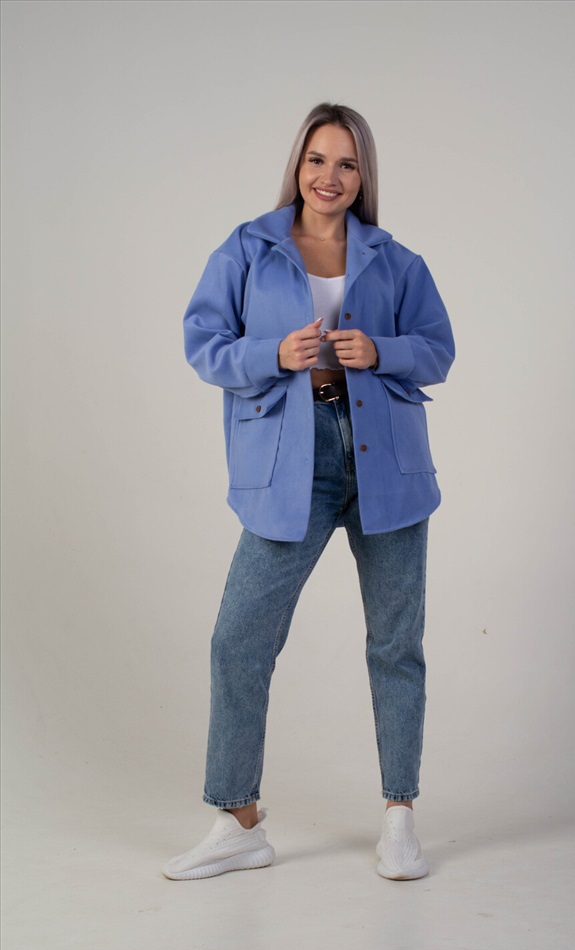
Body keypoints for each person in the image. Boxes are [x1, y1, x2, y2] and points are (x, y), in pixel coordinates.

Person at [162, 103, 455, 882]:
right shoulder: (247, 248)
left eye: (347, 163)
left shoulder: (395, 260)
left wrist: (380, 350)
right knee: (239, 639)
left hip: (387, 462)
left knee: (395, 643)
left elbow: (437, 350)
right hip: (292, 459)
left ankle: (399, 819)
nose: (330, 176)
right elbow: (203, 344)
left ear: (363, 176)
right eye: (317, 159)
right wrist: (273, 354)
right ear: (298, 165)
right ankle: (237, 823)